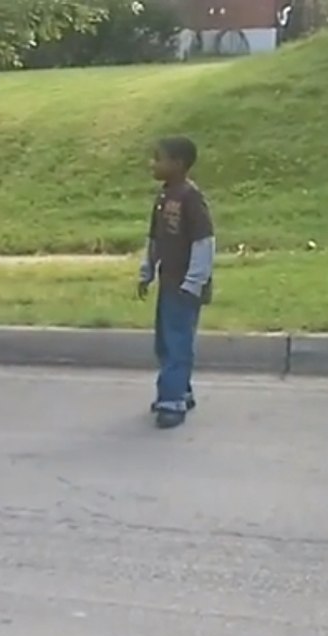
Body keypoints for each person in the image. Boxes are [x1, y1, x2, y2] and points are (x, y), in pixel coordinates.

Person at [137, 136, 215, 430]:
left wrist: (194, 282)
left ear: (178, 164)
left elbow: (204, 242)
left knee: (177, 342)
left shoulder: (190, 198)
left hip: (185, 286)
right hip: (168, 281)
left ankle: (171, 401)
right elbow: (155, 239)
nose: (152, 164)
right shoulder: (164, 196)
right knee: (165, 341)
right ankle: (181, 390)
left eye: (159, 159)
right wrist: (147, 271)